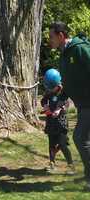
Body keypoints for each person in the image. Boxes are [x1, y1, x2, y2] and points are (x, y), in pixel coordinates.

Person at [49, 21, 90, 189]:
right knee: (84, 139)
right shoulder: (64, 54)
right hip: (82, 104)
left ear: (61, 35)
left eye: (51, 37)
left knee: (79, 138)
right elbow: (68, 81)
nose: (49, 40)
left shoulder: (80, 49)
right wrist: (61, 99)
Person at [41, 68, 75, 175]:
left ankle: (71, 165)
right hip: (51, 122)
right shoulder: (49, 92)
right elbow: (43, 100)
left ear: (58, 84)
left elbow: (66, 104)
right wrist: (45, 106)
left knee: (62, 144)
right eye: (48, 88)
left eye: (52, 88)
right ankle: (52, 163)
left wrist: (59, 110)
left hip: (61, 123)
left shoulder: (63, 93)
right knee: (51, 144)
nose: (50, 90)